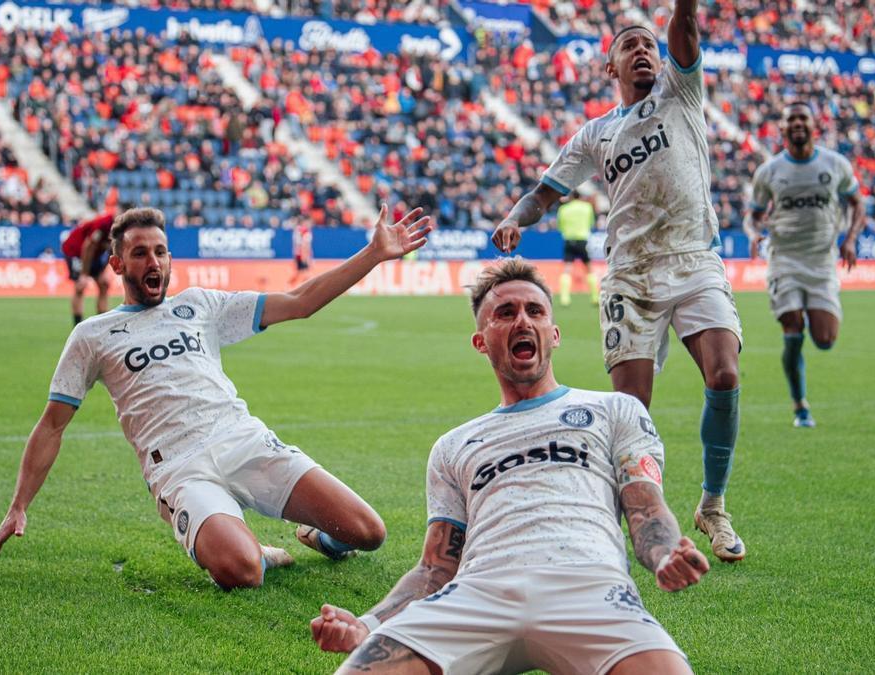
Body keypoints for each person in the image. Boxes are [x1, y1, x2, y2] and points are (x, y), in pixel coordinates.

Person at [0, 206, 432, 590]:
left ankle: (321, 538)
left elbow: (299, 301)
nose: (152, 262)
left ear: (170, 258)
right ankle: (256, 550)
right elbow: (52, 425)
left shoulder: (200, 306)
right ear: (117, 264)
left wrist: (373, 254)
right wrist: (18, 507)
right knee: (243, 571)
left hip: (243, 441)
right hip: (178, 467)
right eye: (139, 254)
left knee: (369, 533)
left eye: (160, 252)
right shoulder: (92, 335)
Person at [311, 259, 710, 674]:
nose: (523, 321)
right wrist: (367, 623)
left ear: (554, 335)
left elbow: (646, 509)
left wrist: (665, 555)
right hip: (477, 594)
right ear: (481, 341)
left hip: (589, 587)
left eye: (535, 311)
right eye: (505, 313)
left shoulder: (614, 409)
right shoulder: (453, 446)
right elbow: (436, 567)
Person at [490, 0, 746, 562]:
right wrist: (515, 217)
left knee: (724, 374)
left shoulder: (681, 93)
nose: (643, 52)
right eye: (630, 46)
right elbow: (545, 193)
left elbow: (686, 26)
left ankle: (713, 505)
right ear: (611, 68)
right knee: (632, 407)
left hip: (692, 257)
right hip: (630, 273)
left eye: (648, 45)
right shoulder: (595, 134)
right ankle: (630, 513)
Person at [745, 102, 865, 428]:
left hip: (822, 261)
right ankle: (800, 406)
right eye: (791, 119)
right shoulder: (768, 172)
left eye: (803, 118)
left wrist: (851, 238)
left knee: (825, 339)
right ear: (781, 129)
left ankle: (811, 314)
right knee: (792, 328)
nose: (797, 123)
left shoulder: (835, 164)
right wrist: (754, 233)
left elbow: (857, 202)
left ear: (815, 126)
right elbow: (752, 216)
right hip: (784, 259)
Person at [62, 211, 115, 325]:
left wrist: (103, 270)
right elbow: (88, 247)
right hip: (75, 251)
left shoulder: (122, 229)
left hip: (96, 255)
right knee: (80, 286)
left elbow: (112, 250)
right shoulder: (103, 224)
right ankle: (77, 326)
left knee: (104, 284)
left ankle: (102, 325)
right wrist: (84, 274)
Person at [556, 191, 600, 306]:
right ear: (580, 197)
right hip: (582, 240)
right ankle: (595, 297)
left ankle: (565, 298)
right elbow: (591, 223)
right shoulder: (587, 207)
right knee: (589, 268)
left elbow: (560, 226)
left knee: (567, 269)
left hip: (569, 240)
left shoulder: (563, 209)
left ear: (570, 197)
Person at [291, 222, 313, 288]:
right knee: (306, 272)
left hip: (299, 254)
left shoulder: (299, 233)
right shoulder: (305, 234)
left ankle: (292, 285)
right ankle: (305, 286)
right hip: (302, 255)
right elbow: (305, 246)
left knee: (300, 272)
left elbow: (297, 246)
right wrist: (306, 258)